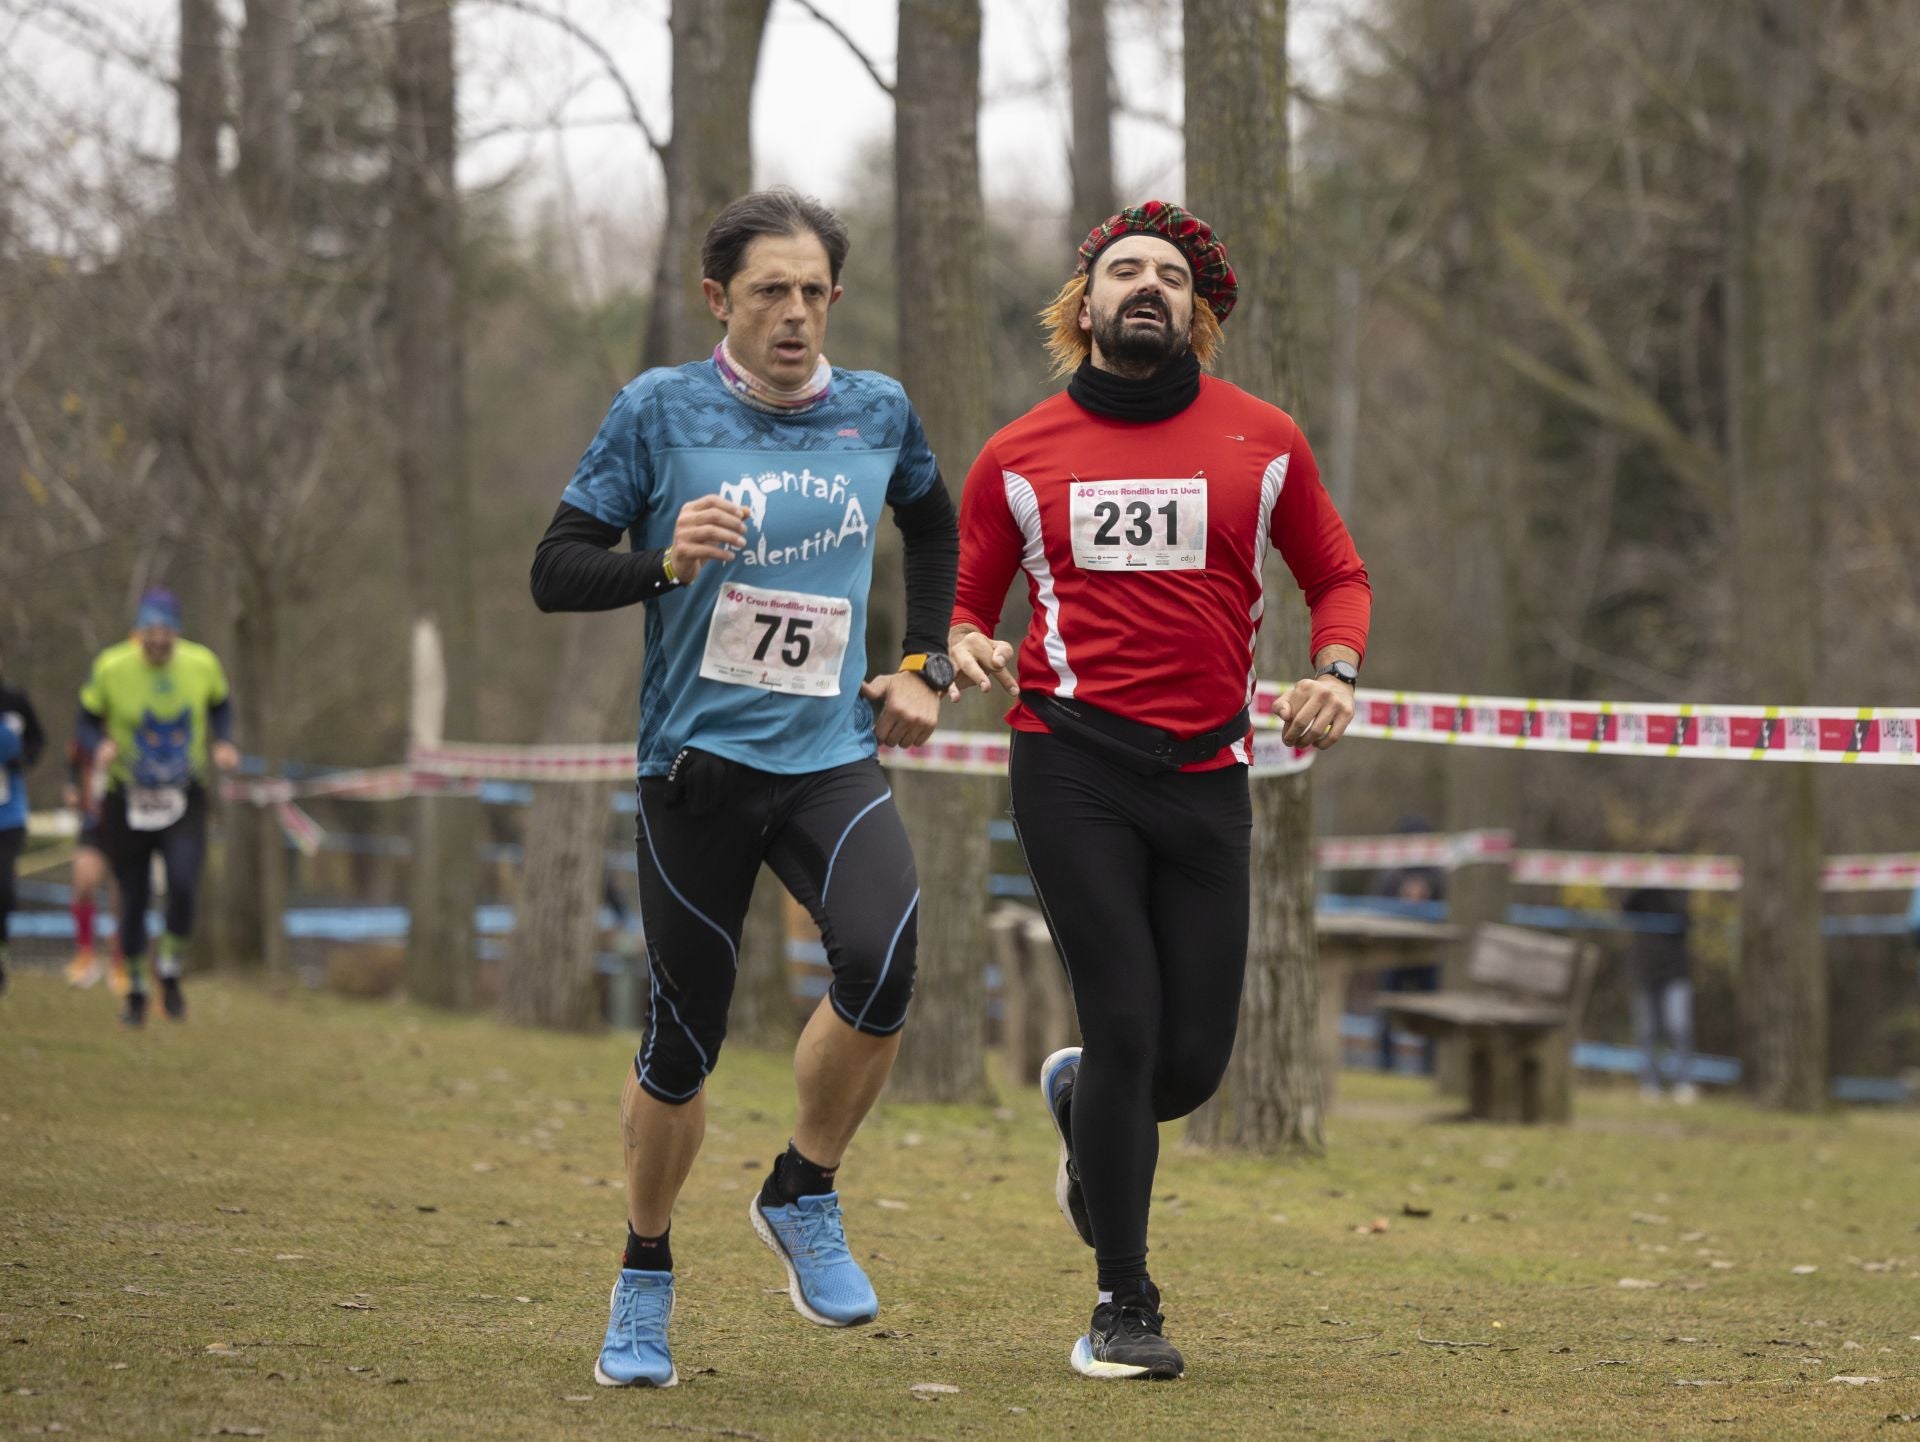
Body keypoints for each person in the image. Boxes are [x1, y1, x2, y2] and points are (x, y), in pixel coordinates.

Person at [529, 188, 959, 1390]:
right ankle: (645, 1273)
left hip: (826, 758)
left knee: (886, 956)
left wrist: (922, 662)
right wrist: (664, 560)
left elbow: (935, 523)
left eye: (815, 291)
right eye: (770, 290)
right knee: (685, 1040)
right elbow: (555, 569)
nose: (795, 314)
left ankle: (802, 1189)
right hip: (696, 772)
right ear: (718, 298)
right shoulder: (658, 411)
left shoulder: (876, 411)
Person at [950, 200, 1371, 1380]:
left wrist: (1335, 670)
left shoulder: (1263, 439)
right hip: (1071, 760)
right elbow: (968, 603)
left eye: (1171, 276)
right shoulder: (1018, 454)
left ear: (1200, 310)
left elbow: (1336, 575)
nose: (1148, 286)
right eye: (1124, 270)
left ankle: (1080, 1098)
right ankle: (1121, 1305)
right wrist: (965, 645)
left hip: (1207, 772)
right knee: (1128, 1021)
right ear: (1083, 307)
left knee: (1188, 1062)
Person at [75, 589, 239, 1026]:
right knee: (133, 897)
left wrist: (223, 742)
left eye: (167, 633)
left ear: (177, 634)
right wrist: (99, 746)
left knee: (184, 883)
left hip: (184, 794)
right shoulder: (112, 667)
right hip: (126, 796)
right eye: (150, 632)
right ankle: (135, 989)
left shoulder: (202, 664)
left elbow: (221, 706)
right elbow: (85, 720)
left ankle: (168, 966)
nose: (158, 642)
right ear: (138, 633)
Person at [1621, 883, 1695, 1104]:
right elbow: (1626, 910)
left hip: (1675, 972)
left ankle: (1684, 1082)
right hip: (1645, 972)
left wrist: (1667, 890)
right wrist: (1642, 883)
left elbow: (1685, 921)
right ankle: (1650, 1084)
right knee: (1647, 1030)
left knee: (1678, 1026)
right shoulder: (1643, 894)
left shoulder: (1678, 891)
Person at [63, 736, 126, 994]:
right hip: (94, 823)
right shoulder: (86, 731)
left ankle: (121, 963)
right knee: (83, 880)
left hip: (128, 823)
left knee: (121, 895)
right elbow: (72, 761)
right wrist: (70, 786)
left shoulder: (131, 725)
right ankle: (85, 956)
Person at [1, 653, 48, 996]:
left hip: (8, 813)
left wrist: (24, 759)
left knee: (3, 886)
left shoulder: (15, 702)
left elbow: (37, 739)